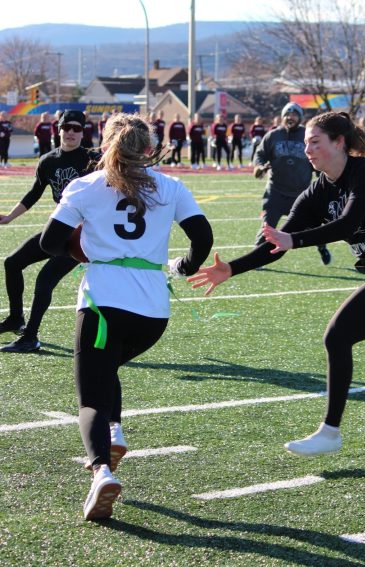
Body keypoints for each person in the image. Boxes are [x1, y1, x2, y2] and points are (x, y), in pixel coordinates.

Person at [188, 110, 365, 459]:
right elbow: (277, 244)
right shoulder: (316, 192)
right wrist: (232, 269)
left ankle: (330, 431)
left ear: (339, 143)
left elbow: (345, 225)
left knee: (336, 336)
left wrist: (293, 240)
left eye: (315, 142)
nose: (307, 149)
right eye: (305, 143)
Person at [40, 112, 213, 520]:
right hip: (153, 311)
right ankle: (115, 431)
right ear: (149, 149)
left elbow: (50, 242)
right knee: (106, 368)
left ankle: (101, 470)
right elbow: (202, 238)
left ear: (105, 145)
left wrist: (79, 250)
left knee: (90, 396)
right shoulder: (170, 185)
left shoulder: (85, 185)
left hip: (103, 301)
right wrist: (185, 267)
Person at [0, 110, 99, 353]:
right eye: (67, 127)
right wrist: (9, 217)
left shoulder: (94, 159)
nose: (72, 133)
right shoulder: (48, 160)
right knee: (12, 263)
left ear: (83, 131)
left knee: (45, 280)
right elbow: (34, 193)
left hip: (82, 236)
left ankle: (30, 337)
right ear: (59, 128)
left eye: (77, 128)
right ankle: (16, 319)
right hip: (58, 229)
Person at [252, 102, 331, 266]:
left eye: (294, 115)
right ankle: (256, 258)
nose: (290, 117)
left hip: (301, 193)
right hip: (276, 191)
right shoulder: (273, 136)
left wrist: (324, 175)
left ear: (300, 117)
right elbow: (260, 154)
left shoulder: (308, 136)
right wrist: (259, 167)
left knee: (315, 226)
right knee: (267, 226)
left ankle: (322, 247)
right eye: (287, 114)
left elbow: (318, 158)